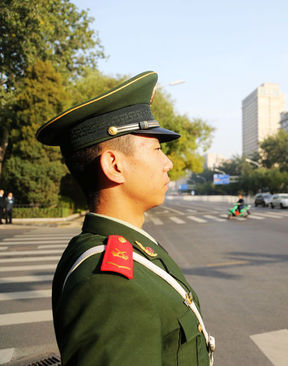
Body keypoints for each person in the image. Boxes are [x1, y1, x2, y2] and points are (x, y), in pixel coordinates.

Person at [36, 71, 214, 365]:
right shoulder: (109, 286)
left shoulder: (126, 247)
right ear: (114, 165)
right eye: (156, 149)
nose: (168, 163)